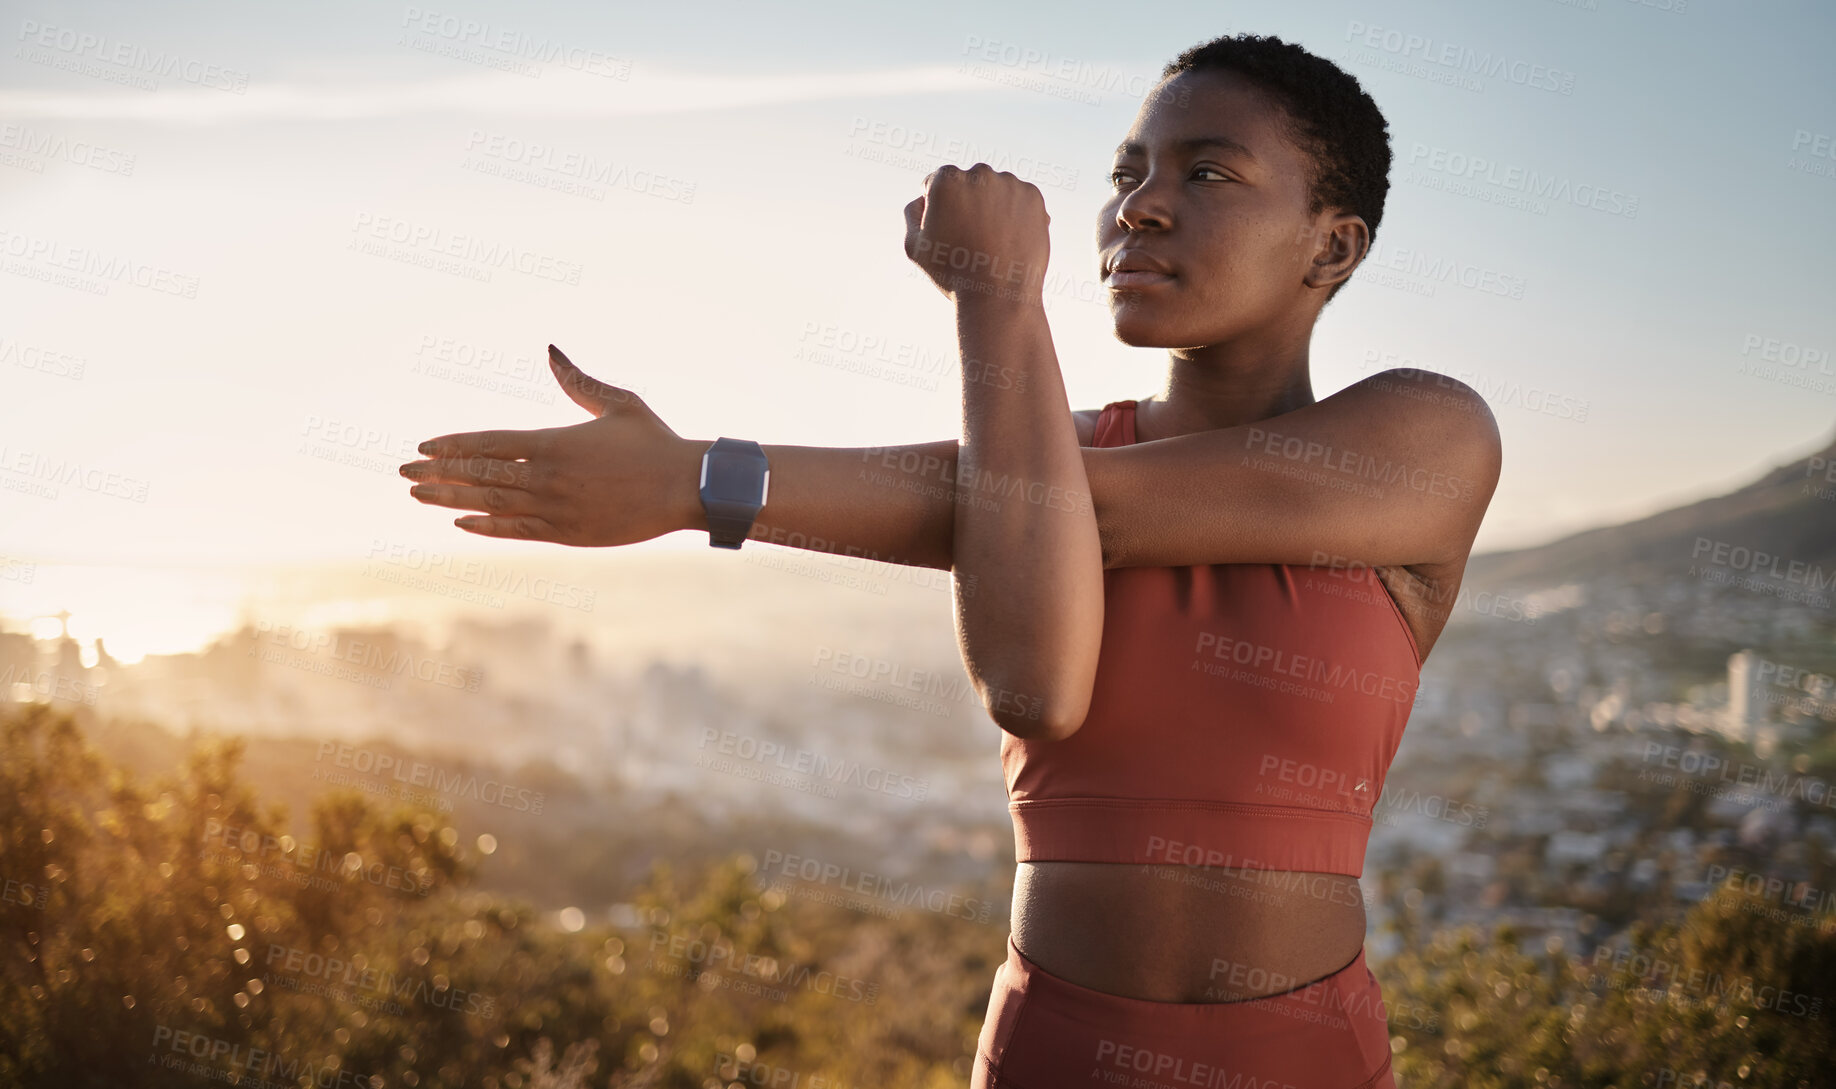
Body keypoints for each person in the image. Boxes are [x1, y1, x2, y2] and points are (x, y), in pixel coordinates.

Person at [399, 32, 1500, 1089]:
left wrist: (989, 300)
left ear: (1333, 244)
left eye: (1208, 172)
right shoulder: (1032, 459)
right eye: (1127, 171)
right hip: (1049, 1047)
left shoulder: (1429, 435)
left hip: (1301, 1061)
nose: (1138, 206)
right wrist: (693, 475)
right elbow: (1037, 684)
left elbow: (1059, 520)